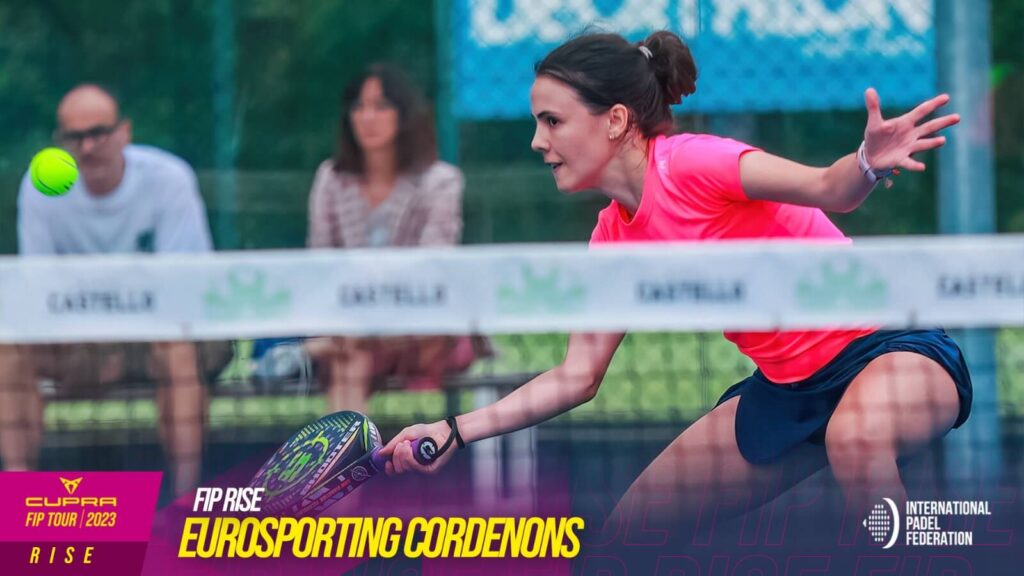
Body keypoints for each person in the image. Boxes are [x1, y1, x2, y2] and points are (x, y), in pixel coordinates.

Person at [380, 31, 970, 529]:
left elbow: (828, 189)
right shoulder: (611, 240)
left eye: (552, 121)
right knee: (628, 535)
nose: (539, 141)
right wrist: (454, 430)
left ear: (615, 120)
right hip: (787, 389)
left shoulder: (693, 163)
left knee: (856, 441)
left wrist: (866, 162)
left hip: (892, 348)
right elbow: (577, 377)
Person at [0, 83, 230, 496]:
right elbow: (39, 289)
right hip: (76, 345)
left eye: (99, 132)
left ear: (125, 132)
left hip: (160, 338)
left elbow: (186, 286)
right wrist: (97, 345)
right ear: (60, 140)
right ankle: (18, 495)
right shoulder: (40, 186)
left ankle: (184, 500)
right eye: (75, 136)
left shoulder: (168, 178)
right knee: (8, 350)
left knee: (177, 348)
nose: (88, 147)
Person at [303, 63, 482, 415]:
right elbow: (321, 262)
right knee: (350, 355)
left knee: (347, 346)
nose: (367, 117)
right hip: (351, 328)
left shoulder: (441, 181)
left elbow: (432, 264)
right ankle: (348, 454)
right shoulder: (331, 178)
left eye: (381, 106)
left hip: (423, 326)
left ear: (405, 115)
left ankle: (310, 352)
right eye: (359, 107)